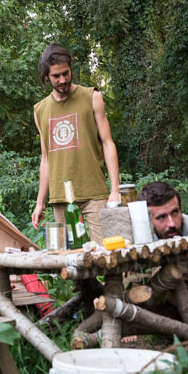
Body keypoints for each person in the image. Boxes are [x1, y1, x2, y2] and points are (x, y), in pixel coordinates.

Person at [31, 43, 120, 244]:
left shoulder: (92, 97)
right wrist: (40, 203)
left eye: (66, 73)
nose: (62, 80)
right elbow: (46, 159)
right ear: (47, 76)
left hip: (94, 192)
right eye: (56, 76)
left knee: (105, 252)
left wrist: (115, 189)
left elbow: (108, 144)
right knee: (72, 256)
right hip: (60, 197)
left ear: (71, 69)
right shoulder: (40, 110)